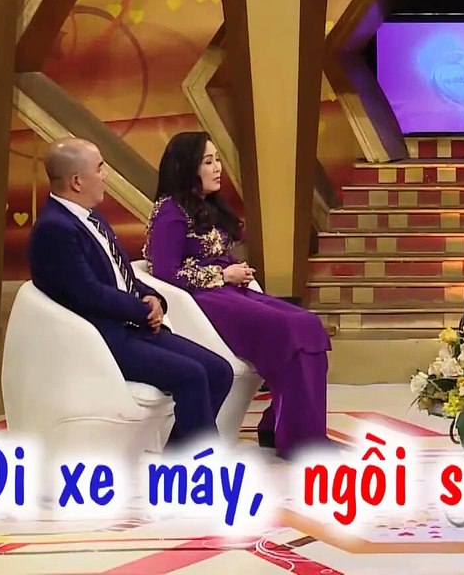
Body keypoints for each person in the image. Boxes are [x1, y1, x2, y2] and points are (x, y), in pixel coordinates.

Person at [28, 138, 233, 449]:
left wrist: (153, 297)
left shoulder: (90, 217)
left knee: (219, 371)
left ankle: (177, 462)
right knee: (191, 375)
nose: (106, 176)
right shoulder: (54, 230)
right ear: (77, 181)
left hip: (132, 327)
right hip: (102, 340)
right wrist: (142, 309)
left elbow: (121, 273)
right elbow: (89, 294)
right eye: (100, 169)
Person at [143, 132, 334, 460]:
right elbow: (164, 272)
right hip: (204, 300)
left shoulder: (206, 205)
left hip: (232, 291)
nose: (218, 168)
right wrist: (222, 275)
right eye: (208, 162)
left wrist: (236, 270)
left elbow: (215, 253)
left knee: (308, 324)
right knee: (290, 328)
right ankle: (298, 438)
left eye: (217, 160)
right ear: (186, 167)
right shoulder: (169, 211)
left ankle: (291, 429)